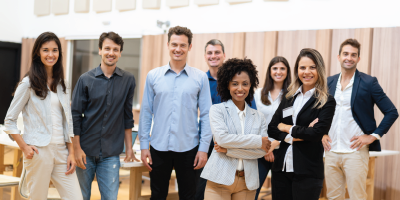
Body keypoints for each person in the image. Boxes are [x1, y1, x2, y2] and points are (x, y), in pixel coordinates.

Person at [3, 32, 83, 200]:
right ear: (38, 53)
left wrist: (71, 152)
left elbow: (67, 121)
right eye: (46, 50)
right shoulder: (28, 83)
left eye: (54, 50)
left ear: (59, 53)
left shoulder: (62, 84)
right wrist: (24, 147)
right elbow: (9, 120)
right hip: (39, 151)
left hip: (62, 151)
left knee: (75, 197)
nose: (50, 54)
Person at [139, 26, 212, 200]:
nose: (178, 49)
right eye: (174, 44)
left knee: (189, 196)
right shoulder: (153, 76)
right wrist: (143, 145)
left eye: (182, 45)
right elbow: (146, 112)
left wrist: (203, 149)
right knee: (157, 195)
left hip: (189, 148)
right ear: (168, 45)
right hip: (158, 146)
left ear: (190, 47)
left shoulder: (200, 78)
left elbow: (207, 115)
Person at [323, 39, 398, 200]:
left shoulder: (369, 82)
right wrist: (321, 133)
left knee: (357, 197)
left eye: (353, 55)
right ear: (338, 57)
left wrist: (373, 136)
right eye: (345, 54)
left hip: (355, 152)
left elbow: (392, 112)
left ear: (358, 59)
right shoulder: (328, 82)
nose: (349, 58)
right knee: (333, 197)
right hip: (331, 151)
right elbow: (319, 113)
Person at [71, 32, 138, 200]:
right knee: (81, 197)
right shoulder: (85, 79)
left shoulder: (128, 80)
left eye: (115, 49)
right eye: (107, 48)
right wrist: (76, 149)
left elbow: (127, 116)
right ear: (100, 50)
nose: (111, 53)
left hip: (110, 153)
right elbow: (75, 116)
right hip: (85, 150)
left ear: (120, 53)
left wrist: (129, 148)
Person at [268, 48, 336, 200]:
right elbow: (272, 127)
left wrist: (287, 128)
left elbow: (316, 133)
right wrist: (295, 135)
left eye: (312, 67)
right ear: (297, 70)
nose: (307, 72)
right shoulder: (289, 97)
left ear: (319, 69)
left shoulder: (326, 101)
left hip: (308, 172)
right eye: (302, 67)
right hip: (281, 169)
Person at [201, 58, 271, 200]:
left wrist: (228, 150)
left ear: (251, 85)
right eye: (235, 84)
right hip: (218, 181)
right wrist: (258, 141)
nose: (240, 88)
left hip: (247, 183)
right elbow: (222, 139)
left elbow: (261, 151)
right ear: (227, 85)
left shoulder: (259, 116)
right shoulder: (217, 110)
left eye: (245, 84)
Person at [195, 39, 257, 200]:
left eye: (217, 52)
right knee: (201, 191)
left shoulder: (238, 83)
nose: (213, 56)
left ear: (224, 55)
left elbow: (252, 113)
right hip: (206, 144)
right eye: (210, 53)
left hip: (233, 144)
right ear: (205, 56)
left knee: (230, 185)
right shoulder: (201, 81)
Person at [253, 56, 292, 199]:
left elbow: (291, 125)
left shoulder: (292, 96)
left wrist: (274, 144)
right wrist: (266, 146)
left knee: (280, 194)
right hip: (260, 149)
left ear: (287, 72)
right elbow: (254, 122)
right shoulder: (258, 94)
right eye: (275, 68)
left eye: (282, 68)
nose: (278, 72)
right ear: (270, 71)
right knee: (252, 192)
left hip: (282, 150)